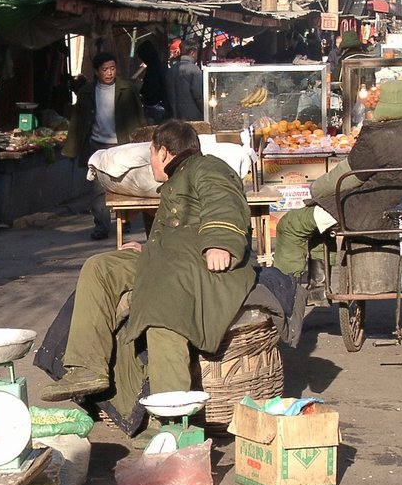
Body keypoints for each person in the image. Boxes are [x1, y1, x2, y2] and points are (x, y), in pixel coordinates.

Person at [41, 120, 256, 420]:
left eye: (152, 153)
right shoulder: (177, 179)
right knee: (100, 268)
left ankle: (170, 420)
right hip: (165, 259)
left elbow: (223, 201)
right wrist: (146, 249)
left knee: (162, 310)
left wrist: (220, 242)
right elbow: (178, 230)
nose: (151, 161)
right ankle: (87, 367)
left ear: (164, 152)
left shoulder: (206, 167)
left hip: (195, 262)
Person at [273, 80, 402, 299]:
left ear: (384, 105)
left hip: (368, 212)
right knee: (319, 221)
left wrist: (316, 189)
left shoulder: (377, 136)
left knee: (292, 224)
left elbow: (346, 177)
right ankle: (319, 283)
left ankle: (283, 292)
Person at [63, 51, 146, 240]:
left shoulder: (127, 89)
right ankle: (101, 226)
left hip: (122, 145)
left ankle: (124, 220)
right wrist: (72, 148)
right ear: (96, 71)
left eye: (112, 68)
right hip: (96, 146)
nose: (109, 73)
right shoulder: (86, 92)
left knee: (123, 185)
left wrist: (142, 141)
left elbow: (139, 116)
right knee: (97, 189)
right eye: (105, 69)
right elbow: (78, 121)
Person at [165, 40, 204, 121]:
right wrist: (206, 112)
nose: (197, 57)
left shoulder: (172, 69)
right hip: (192, 119)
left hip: (174, 118)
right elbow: (199, 97)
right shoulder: (194, 69)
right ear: (193, 52)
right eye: (197, 53)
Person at [134, 40, 167, 124]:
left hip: (155, 107)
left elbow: (151, 88)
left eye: (142, 57)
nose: (142, 60)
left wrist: (142, 89)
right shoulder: (157, 66)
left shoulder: (153, 69)